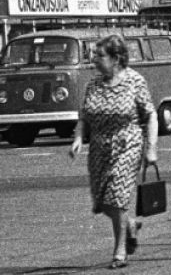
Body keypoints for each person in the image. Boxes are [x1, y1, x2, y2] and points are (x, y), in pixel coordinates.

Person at [68, 35, 159, 269]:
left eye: (100, 56)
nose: (94, 61)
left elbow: (150, 115)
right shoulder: (93, 85)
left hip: (127, 144)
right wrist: (78, 138)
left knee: (117, 198)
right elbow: (84, 117)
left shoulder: (134, 81)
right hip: (99, 148)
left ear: (116, 58)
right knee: (102, 202)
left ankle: (119, 251)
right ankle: (129, 225)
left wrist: (151, 149)